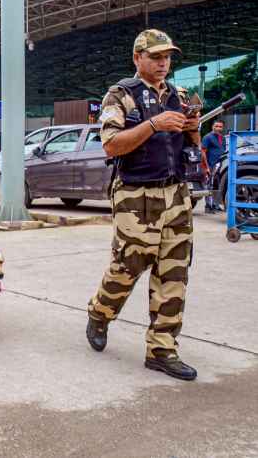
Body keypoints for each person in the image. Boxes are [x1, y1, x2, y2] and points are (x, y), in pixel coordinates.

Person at [86, 29, 199, 381]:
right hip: (137, 196)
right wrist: (153, 124)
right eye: (155, 56)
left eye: (167, 56)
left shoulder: (178, 95)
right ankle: (100, 313)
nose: (163, 62)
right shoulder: (120, 96)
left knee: (174, 272)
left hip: (176, 193)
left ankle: (162, 349)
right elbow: (111, 145)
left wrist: (192, 127)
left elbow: (189, 142)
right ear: (138, 59)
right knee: (127, 267)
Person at [201, 120, 227, 213]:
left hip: (220, 164)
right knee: (209, 185)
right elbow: (203, 151)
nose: (218, 128)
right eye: (216, 126)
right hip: (210, 164)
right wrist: (206, 166)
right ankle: (208, 206)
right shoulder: (208, 137)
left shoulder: (222, 138)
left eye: (220, 126)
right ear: (212, 126)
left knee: (217, 185)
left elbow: (223, 150)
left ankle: (215, 204)